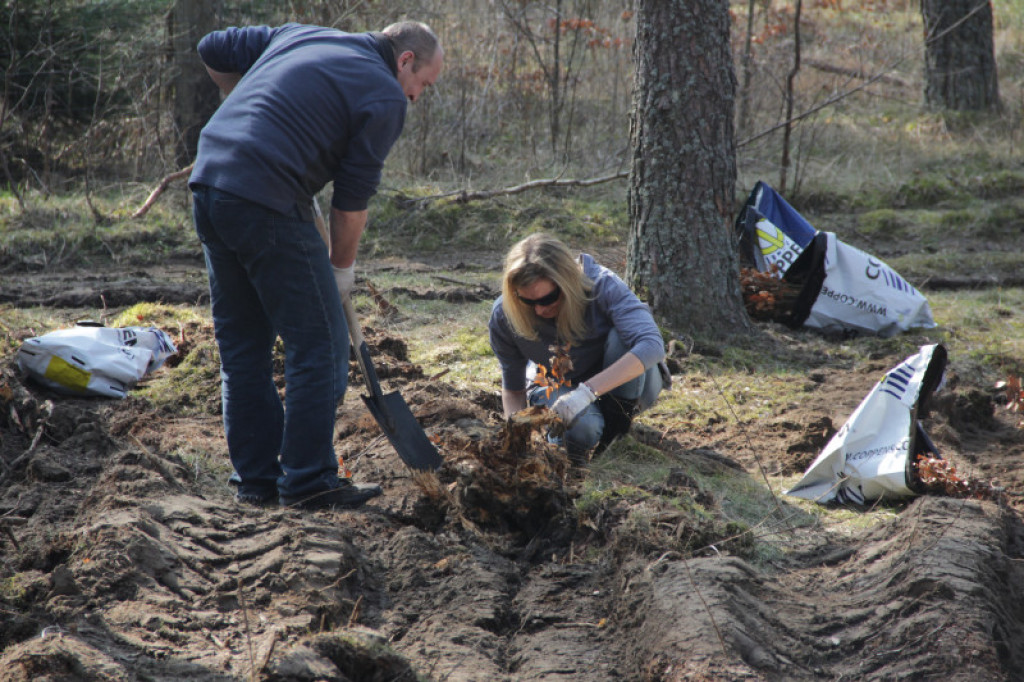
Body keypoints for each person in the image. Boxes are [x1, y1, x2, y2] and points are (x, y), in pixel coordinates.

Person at [188, 21, 444, 509]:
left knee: (243, 347)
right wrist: (341, 267)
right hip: (265, 196)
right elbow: (350, 205)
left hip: (211, 181)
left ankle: (258, 482)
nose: (416, 97)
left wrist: (248, 109)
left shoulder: (300, 35)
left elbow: (211, 47)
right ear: (406, 61)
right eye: (423, 85)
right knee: (322, 344)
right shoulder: (385, 96)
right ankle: (308, 481)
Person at [489, 233, 669, 461]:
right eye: (528, 301)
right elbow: (513, 388)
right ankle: (577, 443)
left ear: (568, 282)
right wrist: (516, 439)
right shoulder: (504, 315)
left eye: (548, 299)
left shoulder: (602, 284)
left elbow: (652, 345)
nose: (539, 311)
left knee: (624, 338)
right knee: (581, 430)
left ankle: (616, 434)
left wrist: (586, 393)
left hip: (632, 387)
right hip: (561, 387)